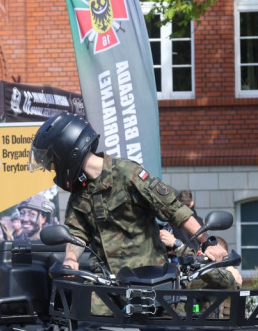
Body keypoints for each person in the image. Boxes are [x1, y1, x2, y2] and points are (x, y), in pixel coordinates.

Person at [29, 113, 226, 275]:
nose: (50, 169)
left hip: (149, 280)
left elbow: (173, 209)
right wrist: (71, 259)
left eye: (52, 162)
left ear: (66, 152)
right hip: (106, 283)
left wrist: (208, 243)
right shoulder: (79, 193)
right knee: (76, 319)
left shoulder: (126, 172)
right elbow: (76, 234)